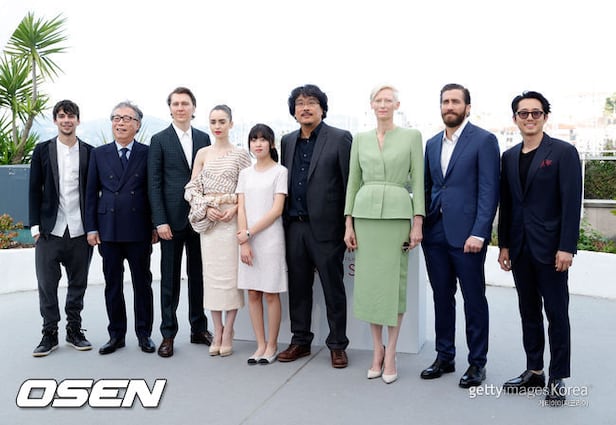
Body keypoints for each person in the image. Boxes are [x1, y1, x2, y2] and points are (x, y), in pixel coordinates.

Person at [498, 91, 582, 406]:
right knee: (528, 311)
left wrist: (566, 247)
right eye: (524, 113)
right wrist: (504, 244)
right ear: (515, 119)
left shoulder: (563, 152)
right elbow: (507, 204)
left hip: (551, 249)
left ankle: (557, 376)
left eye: (536, 112)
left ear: (545, 117)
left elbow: (571, 203)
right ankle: (534, 370)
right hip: (520, 248)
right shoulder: (508, 157)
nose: (530, 118)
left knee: (556, 313)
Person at [343, 85, 425, 383]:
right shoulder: (360, 139)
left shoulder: (412, 137)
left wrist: (418, 222)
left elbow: (418, 181)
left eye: (388, 100)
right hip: (364, 216)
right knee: (369, 286)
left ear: (397, 105)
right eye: (378, 100)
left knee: (394, 284)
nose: (383, 104)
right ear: (371, 105)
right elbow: (353, 181)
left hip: (397, 215)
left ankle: (391, 352)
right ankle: (376, 349)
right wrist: (348, 223)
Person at [421, 83, 500, 388]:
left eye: (455, 101)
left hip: (468, 236)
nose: (449, 106)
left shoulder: (484, 140)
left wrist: (479, 232)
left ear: (467, 107)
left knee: (473, 299)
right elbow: (428, 187)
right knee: (442, 297)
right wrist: (421, 224)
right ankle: (445, 356)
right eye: (445, 101)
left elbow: (489, 190)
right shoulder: (431, 144)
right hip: (435, 233)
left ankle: (477, 363)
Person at [277, 84, 352, 369]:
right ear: (293, 111)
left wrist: (349, 224)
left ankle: (337, 345)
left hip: (327, 228)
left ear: (322, 108)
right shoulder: (287, 141)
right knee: (298, 288)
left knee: (333, 288)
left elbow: (349, 184)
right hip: (294, 226)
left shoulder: (340, 138)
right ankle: (300, 341)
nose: (305, 108)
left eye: (311, 102)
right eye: (299, 103)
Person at [85, 101, 158, 355]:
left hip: (139, 228)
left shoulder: (147, 152)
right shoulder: (99, 153)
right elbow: (91, 194)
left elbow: (153, 191)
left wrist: (154, 225)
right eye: (116, 118)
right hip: (109, 228)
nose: (121, 123)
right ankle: (116, 335)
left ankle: (144, 334)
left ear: (137, 125)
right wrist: (91, 228)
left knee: (142, 283)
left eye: (127, 118)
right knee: (112, 284)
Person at [148, 87, 212, 358]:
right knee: (170, 280)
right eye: (175, 104)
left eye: (185, 103)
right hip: (171, 222)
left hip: (199, 219)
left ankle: (199, 328)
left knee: (198, 277)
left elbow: (209, 177)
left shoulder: (204, 138)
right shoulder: (159, 140)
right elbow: (154, 183)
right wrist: (160, 221)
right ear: (170, 109)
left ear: (193, 107)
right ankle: (168, 334)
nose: (180, 108)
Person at [28, 100, 94, 357]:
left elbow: (94, 193)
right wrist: (35, 226)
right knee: (47, 284)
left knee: (78, 283)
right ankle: (49, 333)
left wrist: (94, 228)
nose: (67, 120)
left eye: (71, 116)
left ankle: (74, 330)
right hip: (49, 230)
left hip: (80, 230)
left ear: (78, 120)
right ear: (55, 120)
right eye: (62, 116)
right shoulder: (42, 150)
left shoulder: (89, 152)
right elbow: (34, 189)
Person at [184, 104, 251, 357]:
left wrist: (235, 209)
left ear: (231, 124)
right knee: (211, 278)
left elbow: (248, 190)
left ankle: (229, 330)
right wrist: (206, 207)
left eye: (222, 121)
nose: (217, 126)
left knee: (231, 278)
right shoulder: (202, 153)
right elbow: (191, 189)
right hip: (210, 223)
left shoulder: (241, 154)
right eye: (213, 121)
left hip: (231, 221)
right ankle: (217, 329)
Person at [236, 124, 288, 365]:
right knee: (253, 293)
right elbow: (241, 208)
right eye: (253, 139)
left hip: (270, 239)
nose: (258, 144)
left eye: (263, 139)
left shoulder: (280, 172)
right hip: (248, 240)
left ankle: (272, 345)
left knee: (270, 293)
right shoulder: (245, 174)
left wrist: (249, 233)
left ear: (271, 143)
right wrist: (244, 241)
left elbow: (277, 210)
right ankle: (259, 345)